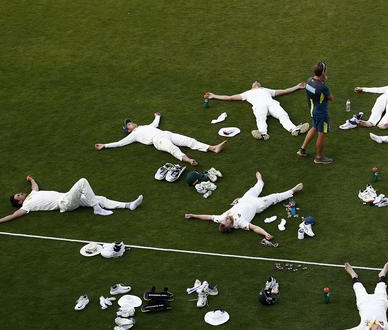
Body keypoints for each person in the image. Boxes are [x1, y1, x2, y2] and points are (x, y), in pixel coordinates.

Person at [184, 171, 302, 243]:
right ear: (230, 227)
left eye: (224, 221)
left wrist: (193, 215)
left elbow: (208, 217)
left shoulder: (221, 218)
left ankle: (260, 180)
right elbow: (255, 228)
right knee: (274, 197)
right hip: (257, 205)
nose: (226, 219)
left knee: (258, 186)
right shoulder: (240, 224)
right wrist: (265, 234)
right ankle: (292, 191)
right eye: (227, 222)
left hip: (244, 199)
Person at [95, 112, 227, 166]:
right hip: (157, 141)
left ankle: (213, 148)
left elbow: (155, 124)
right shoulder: (133, 135)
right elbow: (119, 143)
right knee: (173, 149)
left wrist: (157, 116)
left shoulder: (144, 126)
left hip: (166, 133)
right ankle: (188, 160)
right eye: (129, 124)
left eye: (130, 122)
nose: (131, 122)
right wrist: (105, 145)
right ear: (128, 129)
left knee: (188, 140)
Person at [1, 176, 143, 223]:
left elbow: (35, 186)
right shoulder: (27, 206)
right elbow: (13, 215)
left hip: (68, 197)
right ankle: (97, 209)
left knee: (99, 198)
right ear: (19, 202)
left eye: (19, 193)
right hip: (65, 203)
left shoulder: (33, 194)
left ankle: (128, 205)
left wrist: (30, 179)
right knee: (82, 182)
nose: (20, 193)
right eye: (18, 196)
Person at [203, 81, 310, 140]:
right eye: (255, 83)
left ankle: (294, 129)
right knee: (262, 119)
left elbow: (284, 91)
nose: (256, 82)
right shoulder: (246, 93)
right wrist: (214, 96)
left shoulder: (266, 90)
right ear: (252, 87)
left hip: (270, 104)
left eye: (257, 82)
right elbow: (230, 97)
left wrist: (297, 86)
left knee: (282, 115)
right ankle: (263, 133)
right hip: (261, 106)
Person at [297, 61, 334, 164]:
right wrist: (324, 82)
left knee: (314, 127)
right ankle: (319, 157)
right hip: (322, 113)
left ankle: (302, 150)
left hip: (313, 110)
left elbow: (316, 89)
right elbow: (331, 98)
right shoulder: (323, 87)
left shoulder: (309, 80)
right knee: (322, 133)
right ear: (323, 72)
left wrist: (323, 80)